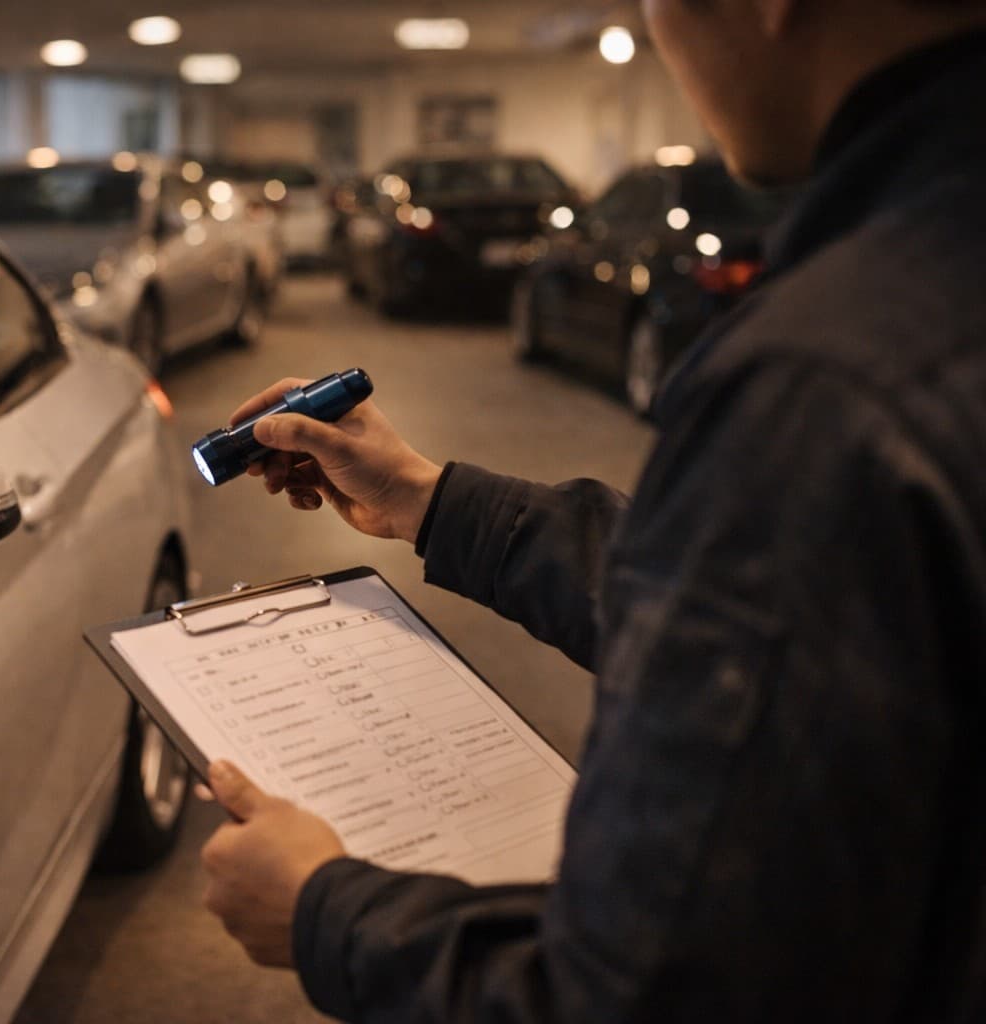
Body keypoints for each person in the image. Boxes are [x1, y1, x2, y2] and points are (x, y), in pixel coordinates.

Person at [197, 1, 986, 1020]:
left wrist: (325, 913)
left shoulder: (823, 378)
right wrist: (437, 505)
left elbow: (651, 992)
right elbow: (827, 624)